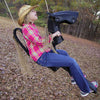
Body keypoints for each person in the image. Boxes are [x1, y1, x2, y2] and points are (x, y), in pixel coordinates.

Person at [18, 5, 98, 97]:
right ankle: (85, 89)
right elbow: (39, 41)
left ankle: (74, 77)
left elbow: (38, 40)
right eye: (32, 11)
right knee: (72, 62)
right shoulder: (26, 28)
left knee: (64, 53)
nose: (35, 12)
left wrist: (50, 35)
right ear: (26, 15)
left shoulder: (32, 26)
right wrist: (53, 35)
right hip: (41, 57)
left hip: (45, 52)